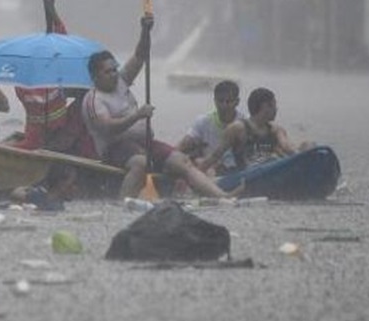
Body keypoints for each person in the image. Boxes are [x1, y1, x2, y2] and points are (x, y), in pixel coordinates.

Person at [82, 15, 239, 200]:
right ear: (95, 76)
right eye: (108, 72)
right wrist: (137, 116)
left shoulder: (121, 81)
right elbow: (107, 127)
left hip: (144, 143)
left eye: (115, 69)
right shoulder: (93, 100)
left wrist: (145, 30)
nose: (114, 74)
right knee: (141, 163)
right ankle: (123, 205)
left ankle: (223, 197)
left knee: (182, 160)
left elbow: (140, 55)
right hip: (115, 149)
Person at [9, 0, 97, 158]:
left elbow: (62, 38)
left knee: (86, 97)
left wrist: (51, 10)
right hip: (37, 139)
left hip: (62, 133)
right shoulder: (24, 84)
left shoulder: (55, 75)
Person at [198, 87, 300, 174]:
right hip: (247, 175)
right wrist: (196, 175)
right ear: (264, 107)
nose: (276, 109)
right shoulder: (237, 129)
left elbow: (288, 148)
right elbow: (215, 156)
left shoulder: (276, 130)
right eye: (273, 105)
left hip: (270, 168)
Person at [176, 80, 244, 176]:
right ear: (215, 101)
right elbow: (182, 146)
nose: (224, 105)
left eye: (229, 101)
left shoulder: (244, 123)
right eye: (220, 101)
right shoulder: (203, 121)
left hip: (237, 170)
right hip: (209, 169)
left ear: (237, 102)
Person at [10, 163, 79, 212]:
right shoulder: (36, 195)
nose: (76, 188)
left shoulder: (59, 206)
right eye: (73, 183)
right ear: (61, 183)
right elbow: (16, 195)